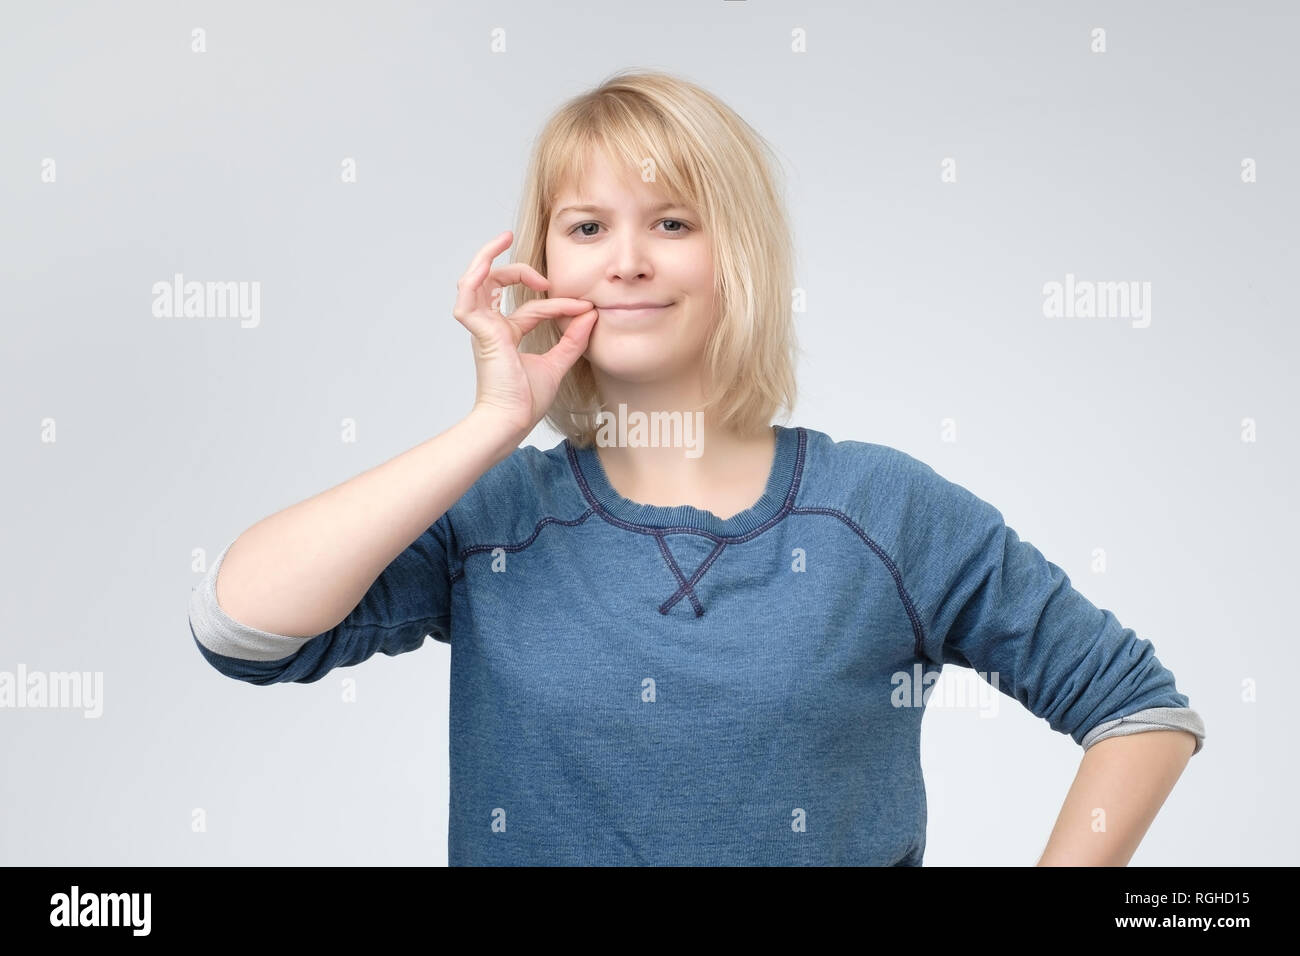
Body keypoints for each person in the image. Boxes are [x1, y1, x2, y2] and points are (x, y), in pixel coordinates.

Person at [188, 69, 1205, 866]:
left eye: (671, 222)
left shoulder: (885, 513)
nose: (626, 260)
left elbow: (1139, 710)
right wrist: (490, 424)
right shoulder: (494, 514)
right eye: (588, 227)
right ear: (543, 263)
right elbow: (240, 624)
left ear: (740, 259)